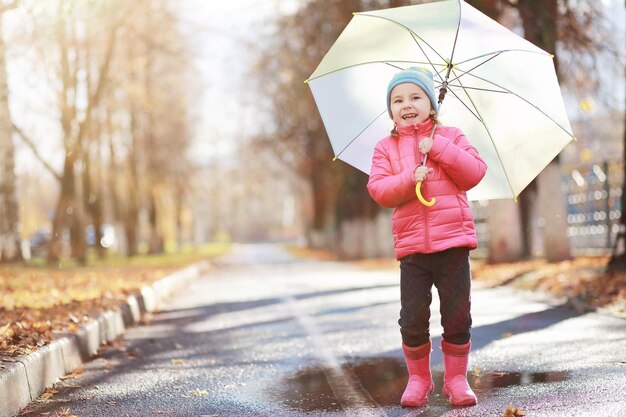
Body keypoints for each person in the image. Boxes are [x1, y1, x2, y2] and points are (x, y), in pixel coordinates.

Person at [367, 67, 487, 407]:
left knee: (457, 313)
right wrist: (409, 176)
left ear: (432, 105)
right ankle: (418, 379)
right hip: (413, 250)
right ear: (390, 109)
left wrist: (438, 149)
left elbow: (474, 173)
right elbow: (379, 190)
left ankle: (456, 379)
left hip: (453, 244)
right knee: (413, 316)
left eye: (416, 97)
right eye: (398, 99)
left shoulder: (451, 135)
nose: (407, 104)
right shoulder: (385, 148)